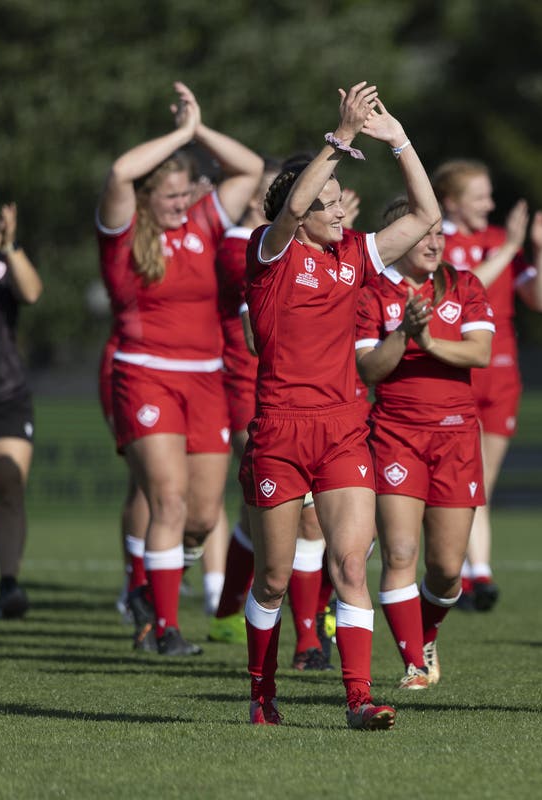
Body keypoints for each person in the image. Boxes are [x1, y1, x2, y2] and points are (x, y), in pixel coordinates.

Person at [240, 81, 440, 727]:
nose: (339, 213)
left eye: (340, 204)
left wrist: (399, 140)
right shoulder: (269, 254)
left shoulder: (355, 254)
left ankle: (358, 698)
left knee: (352, 562)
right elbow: (295, 201)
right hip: (278, 430)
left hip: (343, 430)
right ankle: (261, 690)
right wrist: (343, 137)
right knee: (272, 577)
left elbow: (426, 215)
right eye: (328, 205)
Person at [97, 82, 261, 655]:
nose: (178, 202)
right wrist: (176, 136)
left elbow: (251, 167)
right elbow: (120, 171)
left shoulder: (204, 224)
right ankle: (164, 627)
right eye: (166, 194)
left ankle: (147, 586)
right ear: (146, 197)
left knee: (202, 517)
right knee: (165, 500)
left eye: (183, 192)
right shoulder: (122, 232)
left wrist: (199, 131)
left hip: (207, 378)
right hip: (144, 374)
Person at [356, 198, 494, 689]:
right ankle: (414, 663)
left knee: (446, 570)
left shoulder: (464, 285)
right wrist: (403, 334)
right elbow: (368, 368)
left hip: (457, 435)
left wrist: (429, 341)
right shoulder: (372, 292)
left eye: (439, 233)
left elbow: (480, 351)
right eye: (423, 234)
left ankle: (426, 631)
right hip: (395, 433)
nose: (435, 242)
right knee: (399, 553)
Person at [208, 157, 333, 671]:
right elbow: (255, 334)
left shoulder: (332, 249)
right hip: (253, 389)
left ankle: (301, 629)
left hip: (319, 397)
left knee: (296, 520)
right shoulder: (248, 243)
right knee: (289, 515)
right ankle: (298, 638)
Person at [433, 159, 542, 610]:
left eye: (490, 195)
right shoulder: (438, 242)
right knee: (464, 479)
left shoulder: (498, 242)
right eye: (479, 197)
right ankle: (471, 575)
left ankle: (473, 574)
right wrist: (510, 248)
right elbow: (461, 291)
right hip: (459, 373)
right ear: (451, 202)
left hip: (503, 375)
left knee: (481, 482)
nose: (490, 204)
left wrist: (539, 249)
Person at [0, 192, 42, 618]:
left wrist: (10, 245)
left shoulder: (5, 265)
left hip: (3, 396)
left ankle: (8, 586)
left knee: (8, 486)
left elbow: (33, 292)